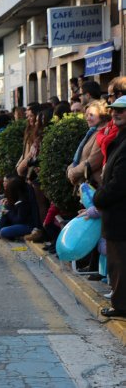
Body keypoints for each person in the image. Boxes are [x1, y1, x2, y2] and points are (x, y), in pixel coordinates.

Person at [93, 95, 126, 318]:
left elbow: (119, 184)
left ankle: (121, 306)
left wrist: (98, 197)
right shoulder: (120, 138)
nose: (116, 113)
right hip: (116, 215)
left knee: (119, 263)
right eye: (114, 109)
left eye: (121, 110)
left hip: (120, 216)